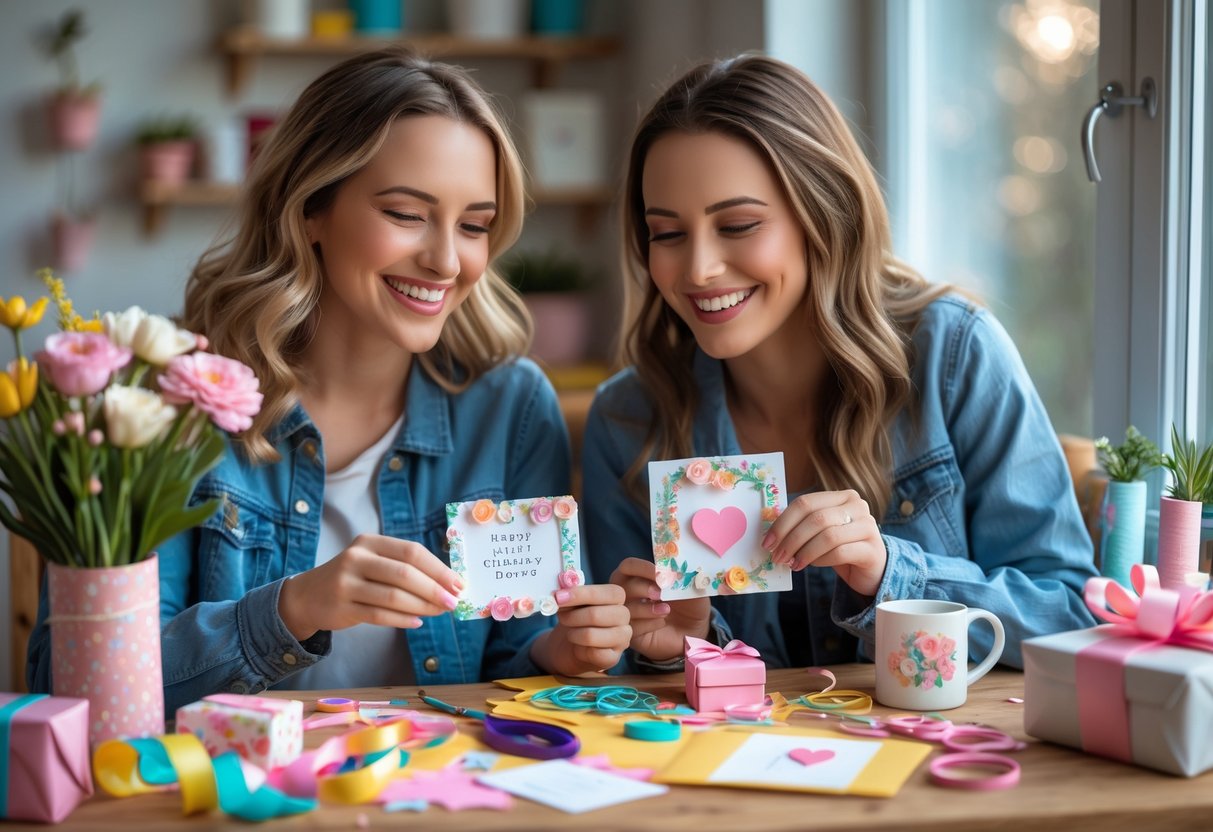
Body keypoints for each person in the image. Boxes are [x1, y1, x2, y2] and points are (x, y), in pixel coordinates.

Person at [27, 47, 630, 712]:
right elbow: (72, 684)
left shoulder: (510, 407)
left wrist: (559, 653)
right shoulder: (166, 405)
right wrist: (294, 607)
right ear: (310, 208)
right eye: (405, 213)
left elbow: (517, 654)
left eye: (475, 226)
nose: (444, 260)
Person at [582, 53, 1097, 675]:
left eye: (739, 224)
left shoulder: (953, 354)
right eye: (667, 233)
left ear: (823, 214)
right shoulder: (629, 418)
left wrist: (889, 574)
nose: (697, 270)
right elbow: (626, 687)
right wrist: (674, 648)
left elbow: (1069, 616)